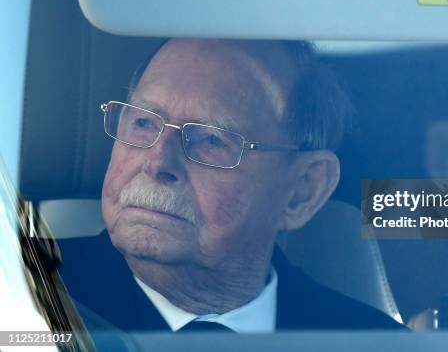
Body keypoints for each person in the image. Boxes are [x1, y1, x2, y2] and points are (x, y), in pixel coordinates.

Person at [59, 38, 402, 333]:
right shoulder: (19, 299)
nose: (158, 163)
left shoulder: (380, 345)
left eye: (212, 140)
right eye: (144, 123)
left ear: (302, 190)